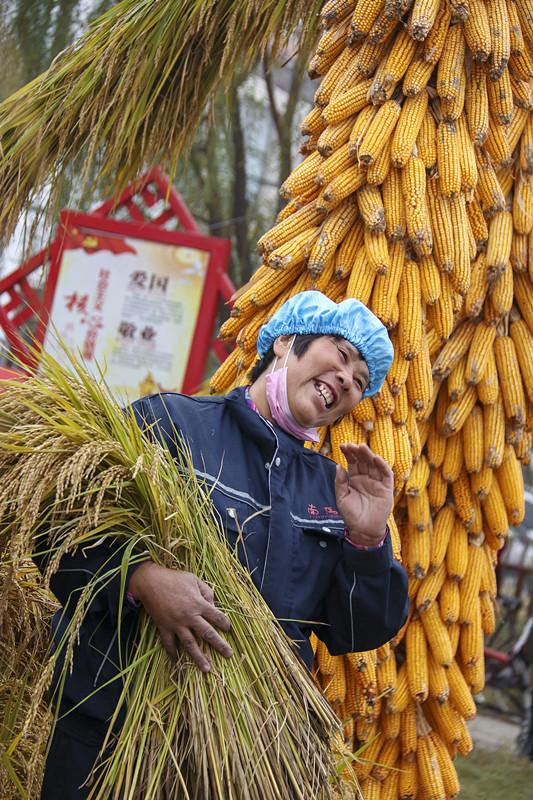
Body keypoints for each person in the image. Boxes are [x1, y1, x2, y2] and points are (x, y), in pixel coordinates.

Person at [38, 290, 409, 798]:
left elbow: (356, 630)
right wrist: (140, 579)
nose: (347, 379)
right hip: (111, 728)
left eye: (361, 382)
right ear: (284, 342)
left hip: (239, 756)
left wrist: (367, 541)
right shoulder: (171, 424)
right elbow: (60, 529)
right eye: (341, 356)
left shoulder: (332, 490)